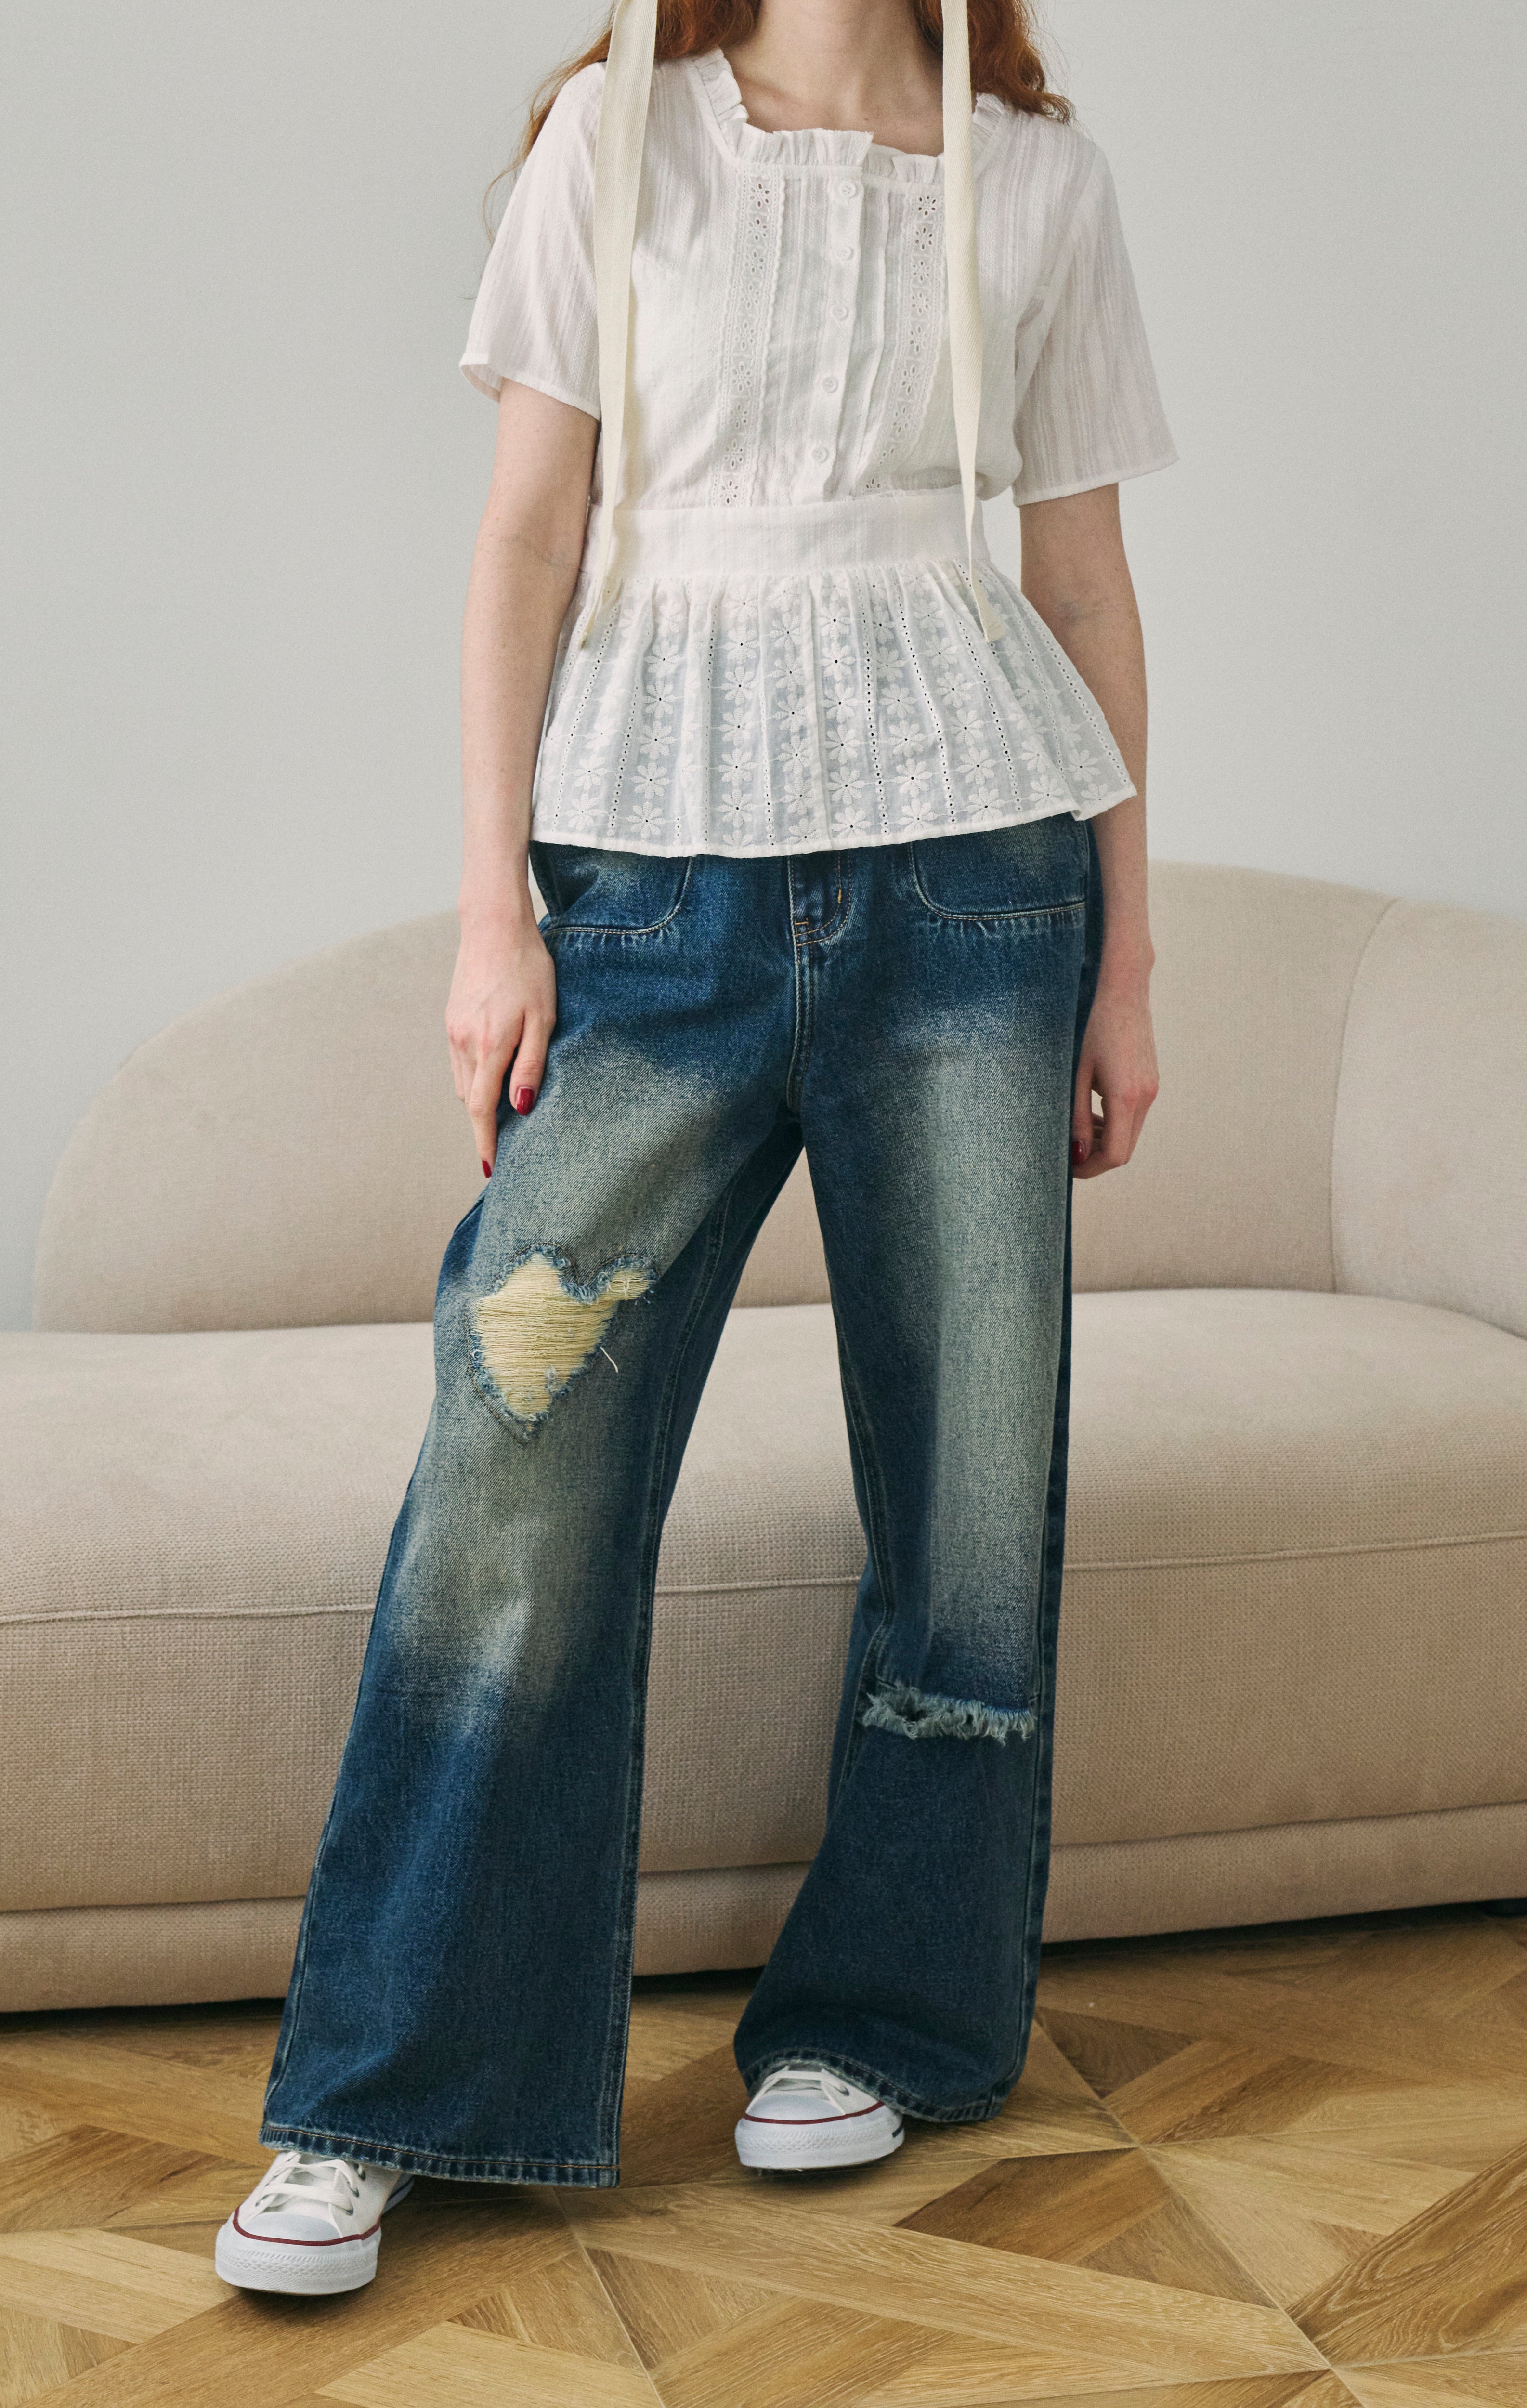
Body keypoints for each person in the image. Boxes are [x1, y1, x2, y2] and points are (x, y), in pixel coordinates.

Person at [216, 0, 1174, 2298]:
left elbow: (1081, 584)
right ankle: (395, 2082)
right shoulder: (616, 139)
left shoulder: (1039, 180)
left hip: (977, 894)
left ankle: (893, 2016)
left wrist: (1130, 962)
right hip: (653, 898)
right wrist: (493, 912)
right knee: (519, 1437)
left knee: (969, 1500)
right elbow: (526, 535)